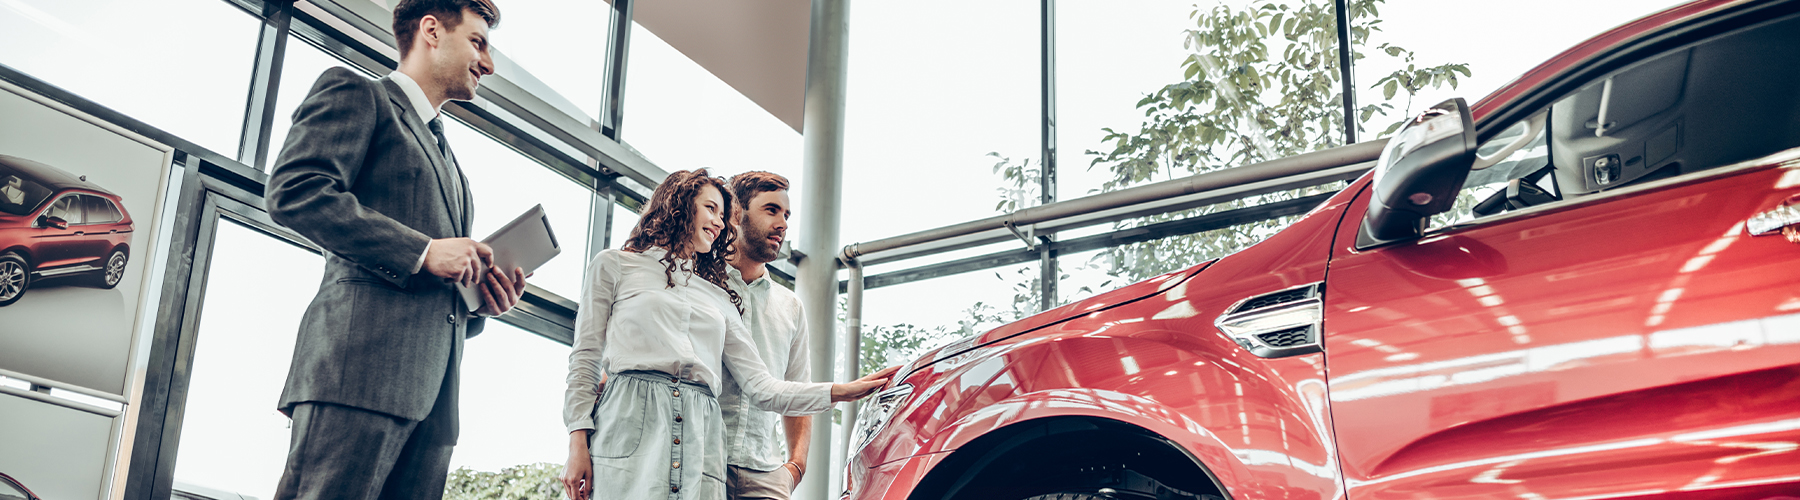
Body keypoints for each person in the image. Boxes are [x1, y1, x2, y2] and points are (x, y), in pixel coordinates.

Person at [262, 1, 526, 499]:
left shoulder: (453, 166)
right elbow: (295, 191)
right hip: (359, 377)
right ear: (431, 30)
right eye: (478, 43)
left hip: (433, 406)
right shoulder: (358, 94)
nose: (487, 64)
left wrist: (480, 301)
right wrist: (424, 251)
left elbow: (438, 283)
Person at [559, 169, 896, 500]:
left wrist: (843, 391)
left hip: (702, 439)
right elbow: (585, 357)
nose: (720, 223)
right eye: (711, 209)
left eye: (723, 215)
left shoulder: (718, 298)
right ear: (679, 204)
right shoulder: (614, 266)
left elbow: (762, 387)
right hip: (632, 424)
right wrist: (577, 441)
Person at [716, 172, 809, 500]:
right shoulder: (699, 286)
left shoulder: (791, 307)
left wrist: (795, 467)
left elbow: (798, 395)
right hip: (700, 465)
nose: (783, 223)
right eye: (771, 210)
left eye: (786, 215)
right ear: (736, 214)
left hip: (766, 476)